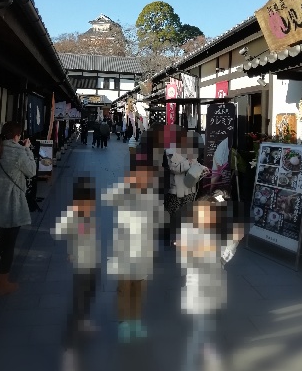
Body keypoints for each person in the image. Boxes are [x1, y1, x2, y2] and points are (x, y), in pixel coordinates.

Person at [175, 191, 244, 371]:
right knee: (200, 329)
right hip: (198, 291)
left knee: (210, 323)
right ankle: (189, 365)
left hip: (215, 287)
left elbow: (222, 260)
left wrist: (233, 241)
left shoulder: (217, 234)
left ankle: (208, 349)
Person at [101, 156, 166, 343]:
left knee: (139, 290)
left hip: (143, 251)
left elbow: (160, 220)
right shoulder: (123, 192)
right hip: (123, 251)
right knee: (124, 289)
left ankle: (136, 322)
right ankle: (123, 323)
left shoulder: (153, 197)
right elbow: (106, 198)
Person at [0, 121, 36, 296]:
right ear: (17, 136)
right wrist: (27, 149)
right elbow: (32, 171)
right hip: (12, 204)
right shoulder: (18, 151)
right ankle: (2, 282)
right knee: (9, 243)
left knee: (4, 239)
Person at [51, 176, 100, 368]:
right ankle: (68, 349)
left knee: (90, 294)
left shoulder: (88, 214)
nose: (90, 205)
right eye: (86, 201)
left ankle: (84, 321)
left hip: (93, 263)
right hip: (81, 267)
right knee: (78, 304)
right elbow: (57, 232)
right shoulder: (73, 215)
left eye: (91, 201)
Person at [164, 129, 206, 247]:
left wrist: (203, 168)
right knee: (174, 214)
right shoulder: (170, 152)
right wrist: (189, 162)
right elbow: (175, 168)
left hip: (189, 188)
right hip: (176, 190)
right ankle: (172, 238)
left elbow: (196, 164)